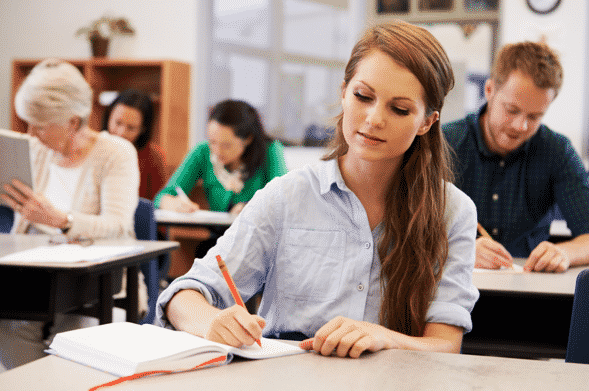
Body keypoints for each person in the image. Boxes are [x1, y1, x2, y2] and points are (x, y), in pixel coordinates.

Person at [156, 21, 479, 358]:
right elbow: (183, 295)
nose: (373, 118)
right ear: (343, 92)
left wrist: (384, 337)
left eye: (399, 109)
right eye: (363, 96)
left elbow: (445, 344)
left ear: (427, 122)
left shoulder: (452, 211)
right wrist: (212, 322)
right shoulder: (286, 196)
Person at [0, 58, 140, 370]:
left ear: (72, 122)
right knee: (9, 326)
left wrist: (62, 221)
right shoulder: (36, 149)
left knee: (71, 346)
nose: (32, 133)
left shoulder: (116, 153)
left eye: (40, 125)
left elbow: (118, 226)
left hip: (96, 284)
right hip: (33, 279)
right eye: (28, 123)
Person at [443, 41, 589, 273]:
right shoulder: (444, 144)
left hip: (528, 289)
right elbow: (401, 230)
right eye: (511, 110)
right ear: (489, 90)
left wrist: (565, 252)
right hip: (454, 283)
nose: (520, 126)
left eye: (534, 116)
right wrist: (457, 248)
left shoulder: (557, 151)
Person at [154, 99, 288, 258]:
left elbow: (283, 200)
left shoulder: (270, 151)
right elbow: (162, 197)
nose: (217, 151)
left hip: (259, 243)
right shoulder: (203, 152)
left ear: (247, 139)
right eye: (213, 142)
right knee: (207, 254)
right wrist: (174, 203)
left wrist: (251, 209)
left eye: (226, 145)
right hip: (219, 242)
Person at [103, 89, 167, 200]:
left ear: (143, 129)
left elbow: (158, 200)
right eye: (118, 123)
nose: (121, 133)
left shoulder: (153, 157)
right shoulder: (93, 147)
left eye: (131, 128)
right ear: (109, 117)